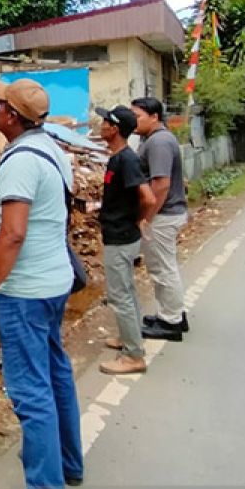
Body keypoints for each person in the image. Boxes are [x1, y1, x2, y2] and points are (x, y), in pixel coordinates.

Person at [0, 78, 82, 489]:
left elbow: (13, 233)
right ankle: (69, 463)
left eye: (0, 105)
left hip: (25, 290)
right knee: (55, 372)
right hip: (52, 282)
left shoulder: (20, 162)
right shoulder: (53, 150)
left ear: (12, 116)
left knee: (30, 390)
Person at [95, 106, 156, 375]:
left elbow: (149, 198)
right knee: (126, 291)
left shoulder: (127, 161)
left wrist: (139, 219)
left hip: (121, 238)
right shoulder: (117, 158)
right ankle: (128, 337)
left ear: (115, 129)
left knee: (120, 296)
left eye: (106, 121)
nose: (102, 124)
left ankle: (133, 356)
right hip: (118, 235)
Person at [130, 97, 190, 342]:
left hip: (163, 216)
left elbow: (161, 184)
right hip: (164, 214)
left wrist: (146, 217)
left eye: (138, 116)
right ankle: (171, 314)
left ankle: (171, 321)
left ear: (154, 117)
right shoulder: (152, 140)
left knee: (163, 269)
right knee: (161, 267)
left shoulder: (159, 142)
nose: (134, 120)